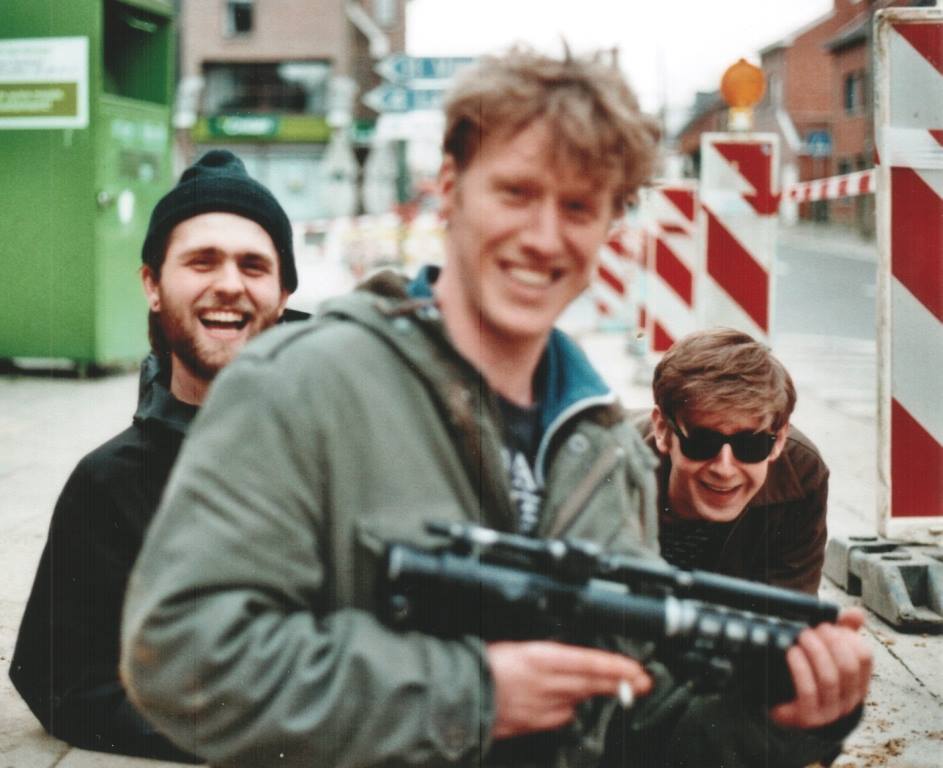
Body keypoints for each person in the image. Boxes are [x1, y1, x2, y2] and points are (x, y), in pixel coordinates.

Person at [119, 49, 871, 768]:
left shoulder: (603, 447)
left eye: (578, 206)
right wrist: (472, 695)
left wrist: (778, 723)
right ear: (449, 188)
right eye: (516, 192)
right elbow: (183, 655)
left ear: (609, 227)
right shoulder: (300, 387)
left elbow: (622, 719)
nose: (543, 237)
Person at [10, 150, 305, 762]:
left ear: (282, 294)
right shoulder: (109, 484)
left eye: (253, 265)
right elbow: (62, 684)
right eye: (202, 261)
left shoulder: (352, 459)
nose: (230, 283)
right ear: (152, 284)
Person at [637, 328, 828, 595]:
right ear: (663, 430)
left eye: (750, 446)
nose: (724, 469)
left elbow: (790, 607)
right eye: (703, 442)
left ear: (779, 440)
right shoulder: (606, 465)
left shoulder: (800, 473)